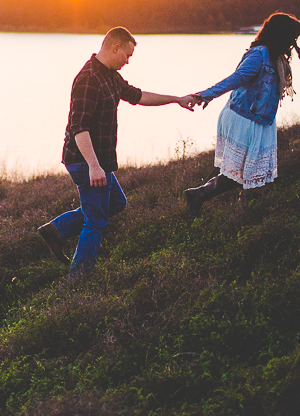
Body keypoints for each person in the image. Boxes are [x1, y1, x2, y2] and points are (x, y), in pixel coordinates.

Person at [37, 27, 190, 278]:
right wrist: (94, 167)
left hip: (100, 161)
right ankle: (79, 278)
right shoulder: (88, 79)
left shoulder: (110, 76)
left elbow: (139, 96)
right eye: (127, 55)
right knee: (96, 221)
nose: (128, 61)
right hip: (85, 160)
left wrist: (176, 99)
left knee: (116, 202)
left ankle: (56, 230)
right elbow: (79, 127)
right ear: (114, 47)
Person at [181, 12, 300, 214]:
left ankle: (219, 200)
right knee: (245, 172)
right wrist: (206, 95)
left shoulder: (276, 57)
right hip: (244, 119)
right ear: (281, 34)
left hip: (262, 121)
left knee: (256, 172)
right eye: (291, 37)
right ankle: (207, 197)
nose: (293, 43)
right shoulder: (259, 55)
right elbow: (236, 79)